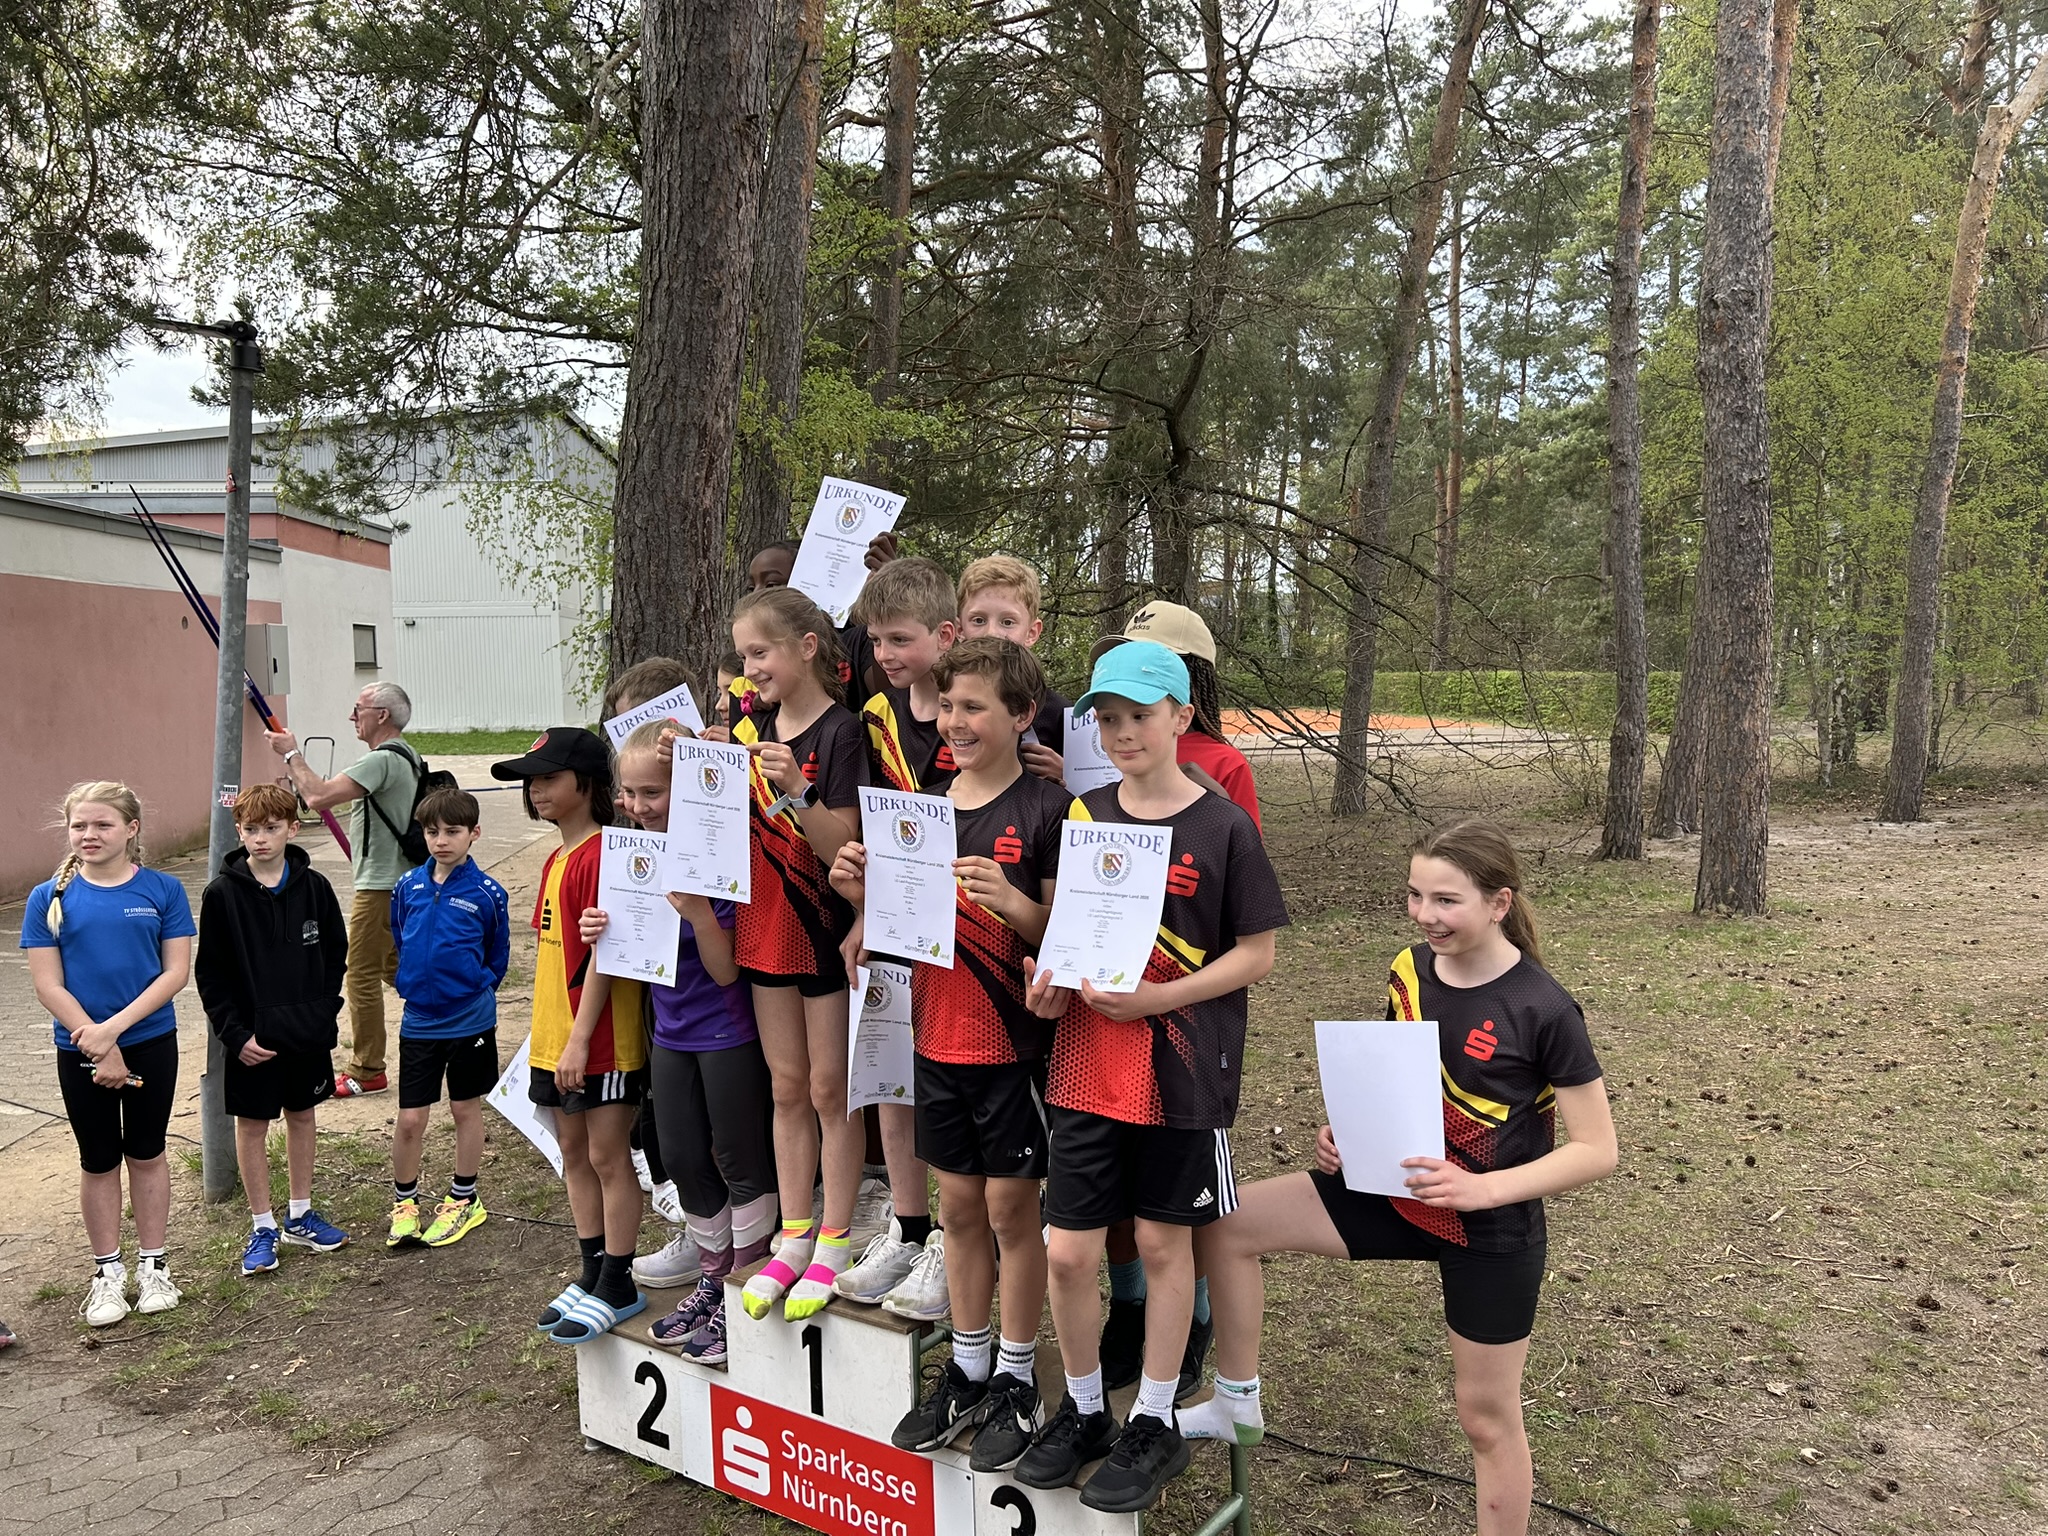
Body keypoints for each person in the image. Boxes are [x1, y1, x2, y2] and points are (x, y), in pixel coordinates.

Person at [1184, 821, 1618, 1536]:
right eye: (1416, 895)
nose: (1424, 915)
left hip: (1489, 1228)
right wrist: (1348, 1134)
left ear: (1499, 903)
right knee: (1226, 1226)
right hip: (1396, 1194)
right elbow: (1396, 1080)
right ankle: (1235, 1401)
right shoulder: (1410, 969)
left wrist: (1482, 1189)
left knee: (1485, 1419)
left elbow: (1598, 1149)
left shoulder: (1542, 1007)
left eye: (1446, 900)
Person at [1012, 642, 1288, 1514]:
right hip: (1086, 1065)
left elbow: (1257, 953)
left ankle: (1156, 1417)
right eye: (1108, 718)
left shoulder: (1222, 826)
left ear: (1180, 716)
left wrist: (1161, 998)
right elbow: (1069, 935)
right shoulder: (1085, 814)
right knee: (1068, 1252)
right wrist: (1048, 986)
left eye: (1139, 715)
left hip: (1181, 1071)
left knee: (1166, 1246)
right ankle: (1086, 1408)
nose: (1122, 732)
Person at [831, 637, 1070, 1469]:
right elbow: (900, 930)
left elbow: (1068, 937)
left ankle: (1016, 1377)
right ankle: (968, 1367)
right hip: (935, 1040)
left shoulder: (1050, 811)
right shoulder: (921, 808)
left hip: (1012, 1048)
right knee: (959, 1212)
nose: (956, 722)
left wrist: (1016, 906)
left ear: (1023, 715)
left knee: (1011, 1215)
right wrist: (859, 893)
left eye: (976, 707)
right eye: (950, 707)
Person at [1091, 602, 1260, 1397]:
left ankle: (1191, 1319)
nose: (1125, 725)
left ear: (1186, 688)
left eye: (1152, 661)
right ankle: (1129, 1310)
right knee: (1110, 1199)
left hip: (1186, 1028)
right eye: (1111, 710)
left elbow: (1235, 903)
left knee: (1178, 1205)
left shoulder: (1222, 769)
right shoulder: (1102, 765)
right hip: (1102, 1024)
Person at [579, 722, 780, 1366]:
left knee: (739, 1160)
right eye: (629, 793)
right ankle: (713, 1279)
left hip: (727, 1031)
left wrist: (695, 911)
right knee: (683, 1157)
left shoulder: (715, 856)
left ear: (686, 791)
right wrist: (602, 929)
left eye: (653, 793)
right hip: (670, 1034)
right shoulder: (630, 858)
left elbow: (725, 970)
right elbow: (628, 955)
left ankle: (743, 1285)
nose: (638, 806)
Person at [727, 586, 868, 1322]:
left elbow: (842, 845)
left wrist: (796, 787)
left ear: (807, 648)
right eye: (743, 655)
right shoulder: (747, 727)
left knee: (827, 1088)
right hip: (763, 927)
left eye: (761, 652)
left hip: (820, 927)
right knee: (784, 1088)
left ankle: (835, 1238)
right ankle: (793, 1231)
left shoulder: (842, 733)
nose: (750, 668)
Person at [491, 728, 649, 1344]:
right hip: (555, 1039)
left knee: (609, 1158)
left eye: (549, 778)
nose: (536, 790)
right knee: (574, 1157)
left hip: (601, 1040)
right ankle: (592, 1270)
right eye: (531, 781)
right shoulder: (556, 858)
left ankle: (619, 1280)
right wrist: (552, 1040)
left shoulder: (605, 852)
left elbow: (607, 956)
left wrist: (581, 1039)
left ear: (587, 783)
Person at [20, 782, 194, 1326]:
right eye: (80, 825)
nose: (89, 835)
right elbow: (48, 984)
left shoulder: (164, 890)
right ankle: (107, 1274)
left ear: (131, 829)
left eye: (103, 825)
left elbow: (175, 973)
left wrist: (113, 1032)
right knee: (98, 1160)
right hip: (78, 1047)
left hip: (150, 1041)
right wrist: (95, 1042)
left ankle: (154, 1266)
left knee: (147, 1151)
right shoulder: (47, 897)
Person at [836, 557, 958, 1308]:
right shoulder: (877, 715)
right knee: (891, 1074)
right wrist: (862, 914)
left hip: (967, 927)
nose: (883, 654)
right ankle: (908, 1227)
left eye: (900, 639)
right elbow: (873, 824)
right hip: (893, 919)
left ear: (945, 634)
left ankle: (954, 1239)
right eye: (876, 640)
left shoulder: (973, 705)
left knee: (951, 1081)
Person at [195, 784, 352, 1278]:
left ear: (293, 828)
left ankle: (300, 1216)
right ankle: (262, 1226)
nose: (261, 838)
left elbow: (335, 953)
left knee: (303, 1115)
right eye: (251, 829)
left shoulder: (316, 887)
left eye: (271, 827)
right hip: (252, 1042)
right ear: (239, 832)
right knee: (253, 1126)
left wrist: (324, 1012)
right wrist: (235, 1035)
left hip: (305, 1034)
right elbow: (211, 974)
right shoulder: (221, 895)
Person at [267, 680, 425, 1096]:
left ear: (382, 715)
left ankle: (368, 1069)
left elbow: (318, 796)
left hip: (380, 886)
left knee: (361, 974)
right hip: (402, 880)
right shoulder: (408, 756)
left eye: (358, 709)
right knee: (397, 968)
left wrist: (291, 753)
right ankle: (450, 1021)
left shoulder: (381, 760)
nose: (351, 716)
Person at [386, 787, 511, 1251]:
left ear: (474, 833)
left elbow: (497, 953)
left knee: (464, 1108)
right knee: (410, 1118)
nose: (441, 841)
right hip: (419, 1020)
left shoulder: (488, 894)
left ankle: (463, 1198)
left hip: (470, 1020)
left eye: (452, 832)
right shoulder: (407, 887)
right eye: (432, 832)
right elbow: (400, 934)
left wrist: (478, 985)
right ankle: (404, 1203)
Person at [600, 656, 699, 1228]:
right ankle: (675, 1190)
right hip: (661, 1005)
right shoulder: (633, 828)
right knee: (665, 1101)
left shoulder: (710, 829)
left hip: (716, 1014)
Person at [1096, 601, 1260, 830]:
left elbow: (1245, 847)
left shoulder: (1225, 764)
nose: (1134, 666)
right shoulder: (1108, 745)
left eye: (1153, 659)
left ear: (1191, 672)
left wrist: (1216, 804)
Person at [956, 555, 1068, 779]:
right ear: (960, 630)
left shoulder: (1061, 715)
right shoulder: (943, 708)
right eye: (978, 620)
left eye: (1007, 622)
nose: (992, 633)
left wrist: (1071, 775)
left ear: (1032, 632)